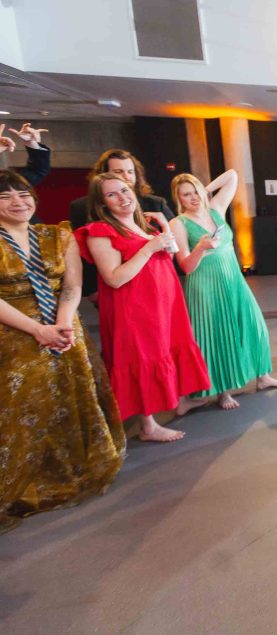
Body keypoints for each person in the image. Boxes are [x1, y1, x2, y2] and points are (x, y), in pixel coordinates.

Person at [0, 170, 124, 533]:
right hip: (14, 335)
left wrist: (63, 324)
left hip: (64, 328)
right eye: (5, 196)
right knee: (20, 409)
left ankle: (72, 469)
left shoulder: (57, 234)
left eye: (22, 194)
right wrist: (37, 330)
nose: (17, 202)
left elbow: (71, 287)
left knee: (72, 400)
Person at [75, 172, 210, 442]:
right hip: (134, 308)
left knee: (163, 351)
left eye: (124, 190)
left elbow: (168, 257)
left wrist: (163, 227)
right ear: (102, 204)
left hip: (163, 303)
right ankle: (148, 425)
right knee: (140, 358)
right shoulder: (100, 231)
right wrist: (149, 248)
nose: (122, 198)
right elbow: (114, 278)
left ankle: (165, 409)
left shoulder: (145, 226)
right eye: (112, 194)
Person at [169, 171, 277, 411]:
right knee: (216, 337)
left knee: (254, 325)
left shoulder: (215, 208)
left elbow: (233, 176)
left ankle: (262, 377)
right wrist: (201, 248)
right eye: (186, 195)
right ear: (179, 199)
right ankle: (222, 392)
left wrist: (206, 189)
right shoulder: (178, 223)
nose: (193, 198)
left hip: (233, 279)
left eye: (195, 192)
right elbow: (186, 266)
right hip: (205, 285)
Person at [70, 149, 175, 304]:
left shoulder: (154, 203)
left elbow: (168, 253)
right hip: (120, 292)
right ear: (104, 174)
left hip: (160, 288)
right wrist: (93, 290)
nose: (126, 177)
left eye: (130, 172)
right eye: (118, 171)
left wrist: (166, 227)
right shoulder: (83, 208)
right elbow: (84, 257)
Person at [0, 122, 51, 187]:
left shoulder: (10, 185)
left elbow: (36, 171)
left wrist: (30, 142)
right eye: (5, 197)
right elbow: (37, 171)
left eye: (23, 195)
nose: (16, 197)